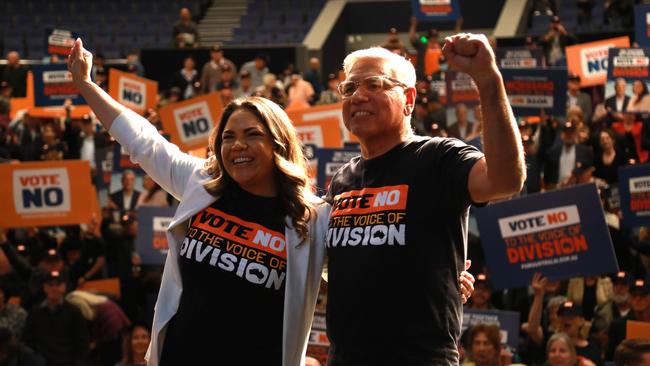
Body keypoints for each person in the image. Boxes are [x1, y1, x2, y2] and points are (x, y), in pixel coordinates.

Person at [68, 38, 475, 365]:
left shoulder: (311, 218)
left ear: (279, 143)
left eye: (252, 135)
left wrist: (436, 277)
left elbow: (365, 260)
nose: (237, 146)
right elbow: (143, 141)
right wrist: (87, 86)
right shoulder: (201, 185)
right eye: (228, 137)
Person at [325, 35, 525, 364]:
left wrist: (488, 80)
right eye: (349, 88)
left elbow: (505, 180)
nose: (358, 95)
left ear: (408, 99)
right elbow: (335, 266)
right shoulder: (342, 179)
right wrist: (437, 276)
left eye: (374, 85)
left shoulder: (439, 157)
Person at [22, 271, 90, 366]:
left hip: (68, 362)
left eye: (58, 284)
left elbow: (82, 342)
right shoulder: (35, 312)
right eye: (50, 285)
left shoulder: (74, 311)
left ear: (64, 287)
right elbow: (27, 339)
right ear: (44, 287)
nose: (54, 288)